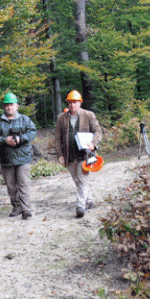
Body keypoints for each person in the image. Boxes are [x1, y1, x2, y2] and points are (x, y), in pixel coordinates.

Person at [0, 92, 38, 220]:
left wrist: (21, 138)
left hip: (23, 157)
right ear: (3, 107)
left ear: (17, 106)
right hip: (7, 158)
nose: (9, 107)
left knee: (23, 183)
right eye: (7, 105)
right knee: (10, 185)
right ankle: (16, 207)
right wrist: (4, 140)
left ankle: (26, 209)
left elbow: (32, 131)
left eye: (11, 104)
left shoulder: (25, 120)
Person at [55, 90, 103, 218]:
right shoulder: (61, 118)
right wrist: (59, 155)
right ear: (68, 103)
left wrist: (93, 143)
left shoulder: (88, 115)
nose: (72, 105)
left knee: (82, 179)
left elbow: (98, 131)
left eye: (75, 102)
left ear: (80, 103)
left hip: (85, 155)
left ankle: (80, 206)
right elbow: (57, 139)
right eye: (70, 102)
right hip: (69, 155)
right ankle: (89, 200)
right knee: (78, 180)